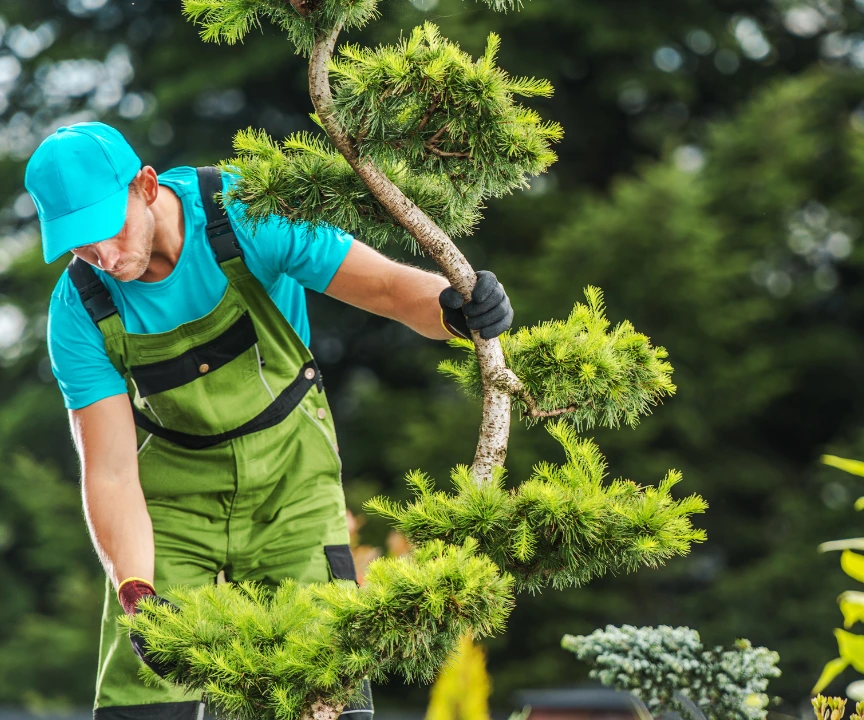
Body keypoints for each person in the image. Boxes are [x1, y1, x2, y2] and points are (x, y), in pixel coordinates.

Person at [26, 121, 513, 720]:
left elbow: (386, 287)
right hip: (172, 509)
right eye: (78, 245)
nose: (101, 256)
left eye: (106, 229)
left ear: (146, 186)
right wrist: (137, 593)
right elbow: (110, 474)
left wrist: (454, 308)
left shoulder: (244, 212)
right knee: (145, 704)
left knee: (320, 689)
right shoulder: (79, 307)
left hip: (292, 484)